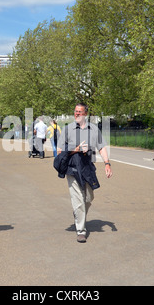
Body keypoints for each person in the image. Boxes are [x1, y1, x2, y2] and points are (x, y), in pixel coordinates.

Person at [57, 103, 113, 243]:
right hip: (72, 168)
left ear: (85, 114)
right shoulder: (68, 129)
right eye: (75, 111)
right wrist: (75, 150)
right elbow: (59, 151)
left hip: (88, 167)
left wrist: (107, 163)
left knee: (88, 197)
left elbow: (102, 147)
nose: (77, 114)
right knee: (78, 200)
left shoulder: (94, 129)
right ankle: (81, 230)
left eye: (80, 112)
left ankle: (78, 214)